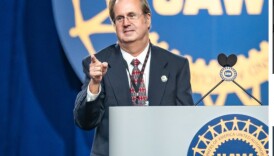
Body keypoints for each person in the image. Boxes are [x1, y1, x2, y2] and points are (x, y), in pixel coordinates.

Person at [74, 0, 194, 155]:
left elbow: (186, 122)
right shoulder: (98, 64)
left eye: (132, 15)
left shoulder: (176, 66)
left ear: (147, 19)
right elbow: (85, 122)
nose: (126, 23)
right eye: (119, 18)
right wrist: (95, 84)